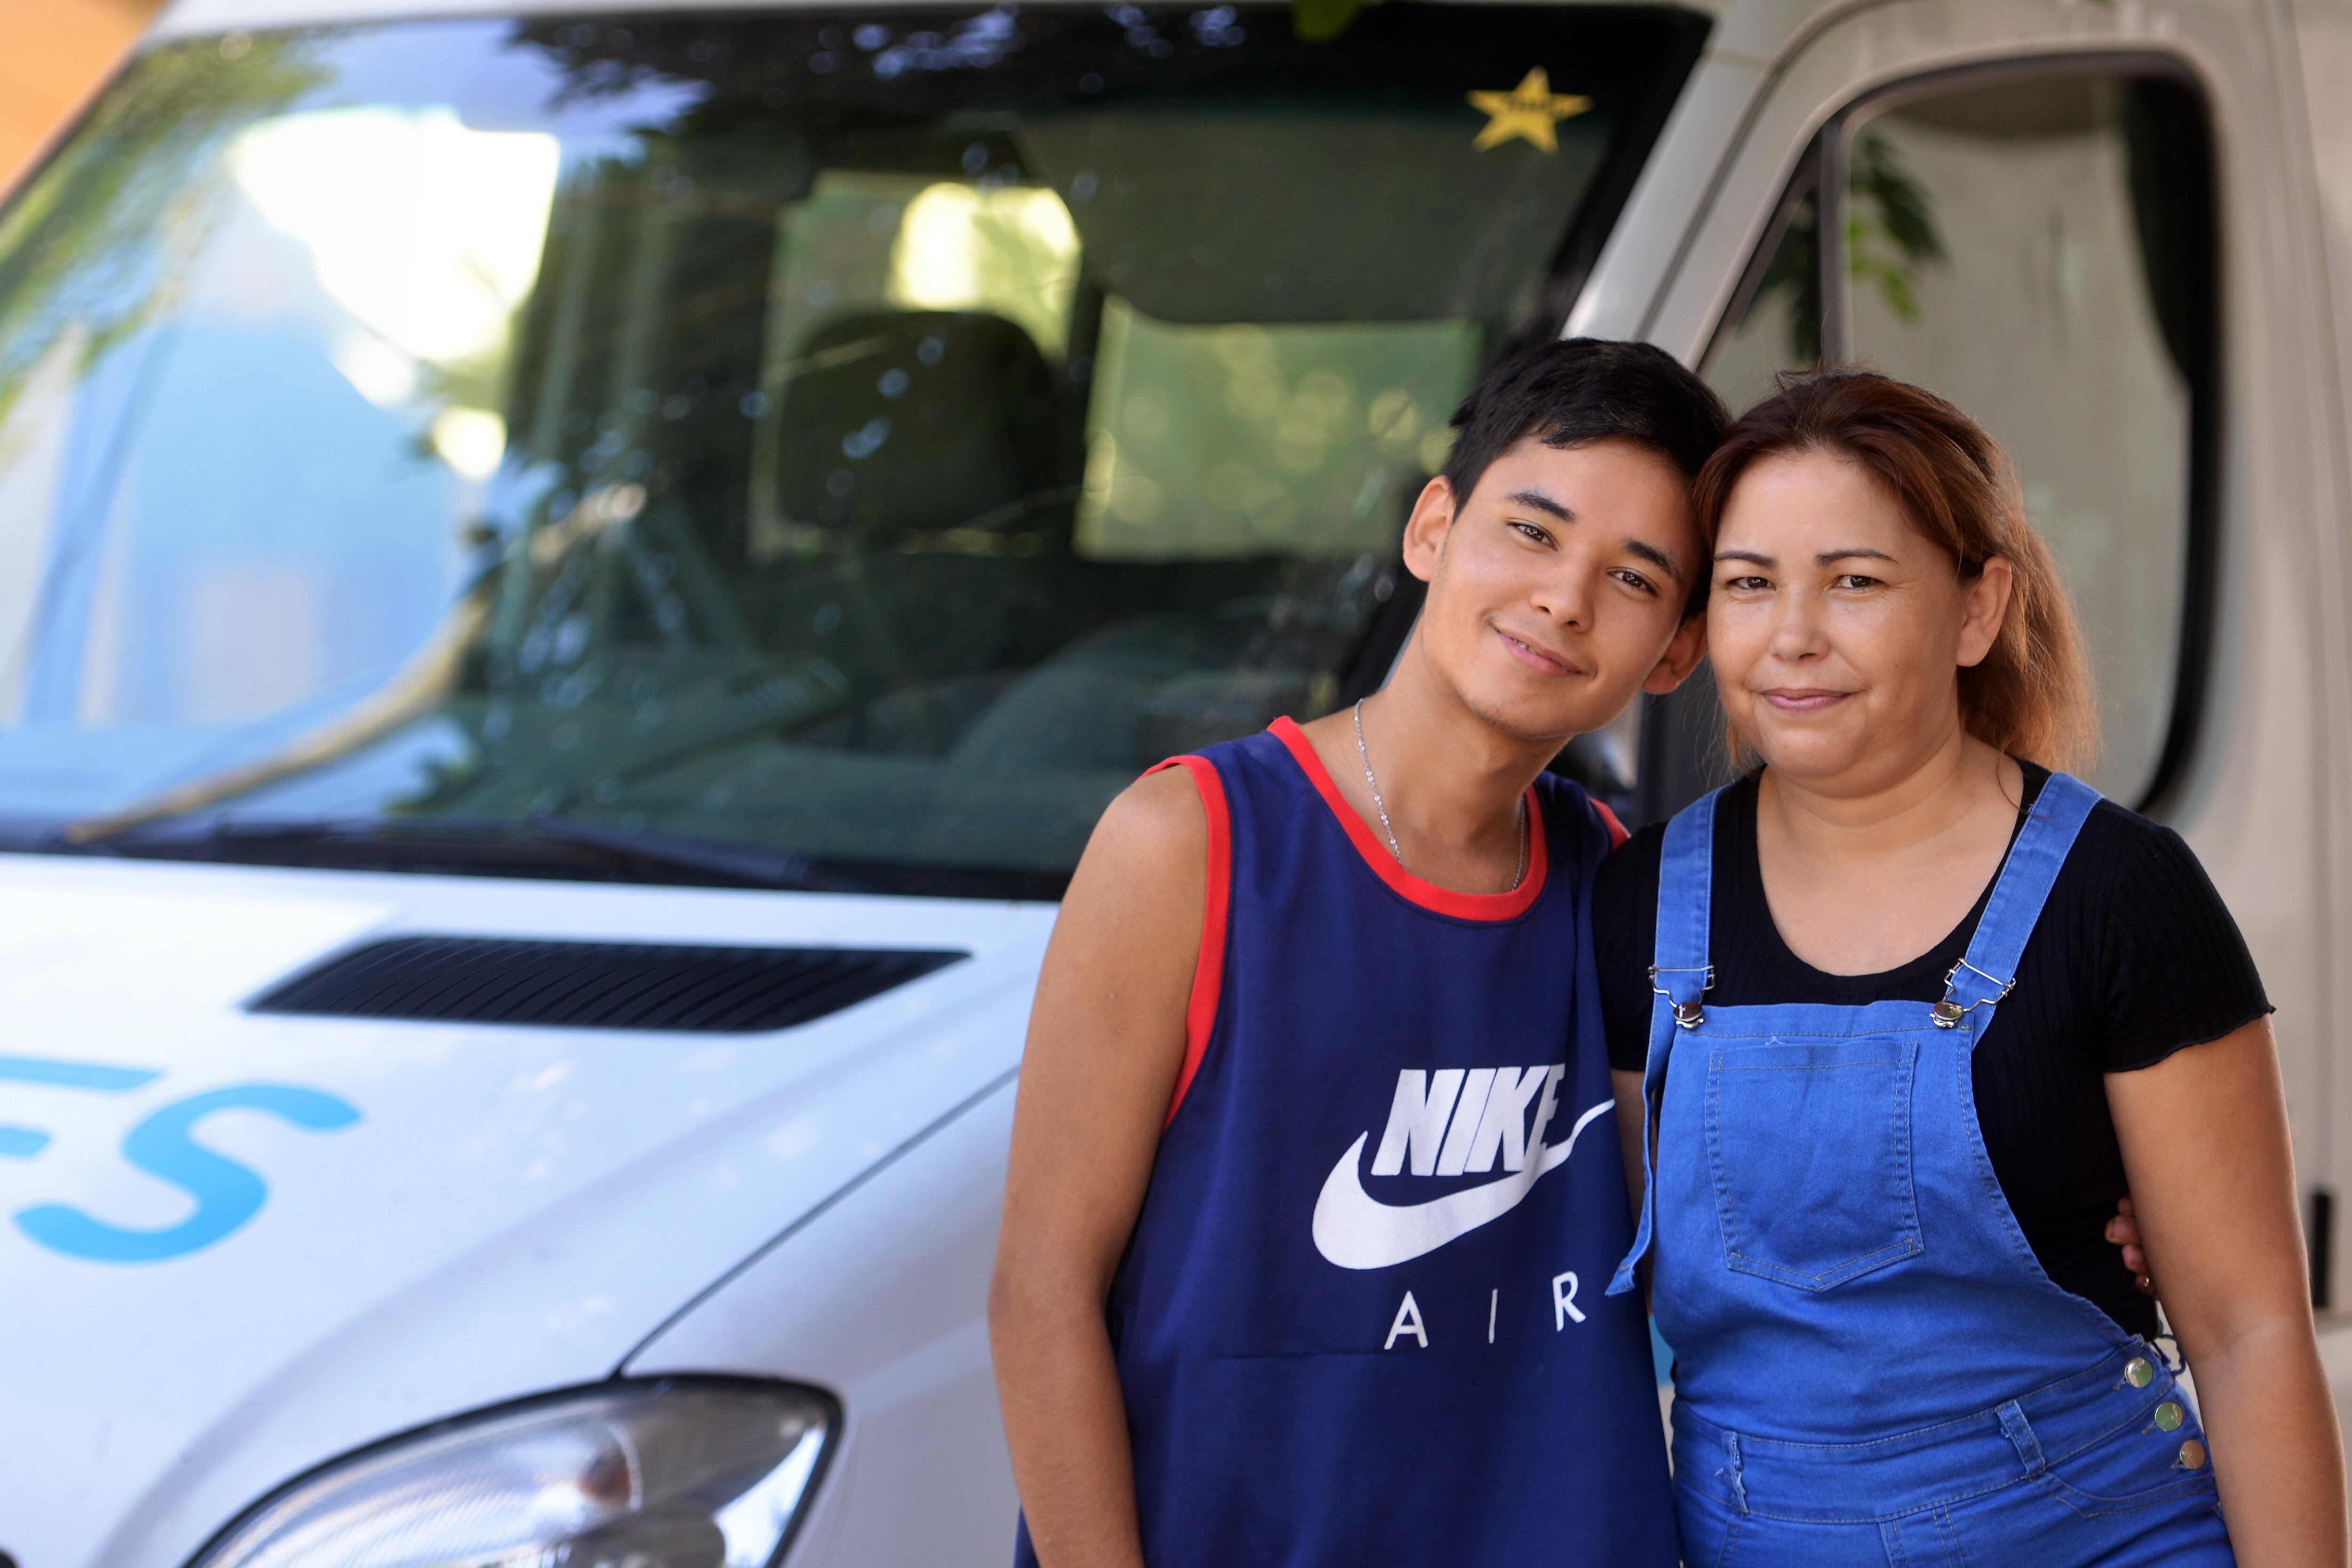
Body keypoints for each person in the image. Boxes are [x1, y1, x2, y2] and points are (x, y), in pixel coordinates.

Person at [987, 339, 1724, 1567]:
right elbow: (1039, 1291)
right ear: (1433, 527)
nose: (1565, 598)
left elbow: (1714, 1244)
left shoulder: (1619, 888)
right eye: (1531, 531)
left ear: (1677, 650)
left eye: (1633, 576)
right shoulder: (1192, 841)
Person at [1597, 369, 2347, 1564]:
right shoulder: (1634, 904)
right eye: (1748, 583)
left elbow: (2248, 1330)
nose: (1793, 634)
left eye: (1855, 580)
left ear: (1975, 609)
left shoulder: (2119, 894)